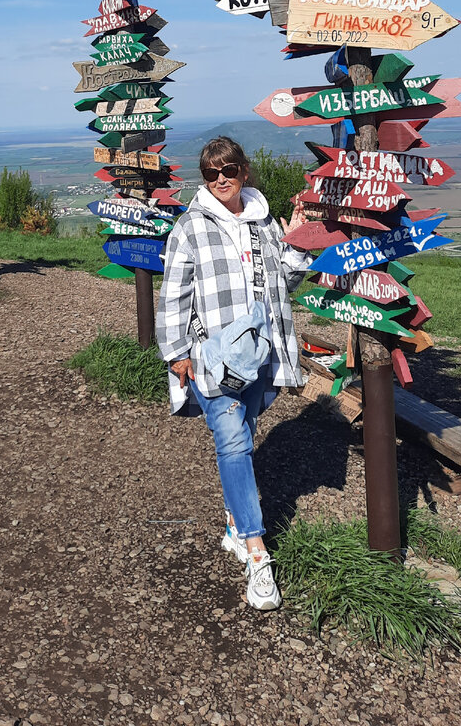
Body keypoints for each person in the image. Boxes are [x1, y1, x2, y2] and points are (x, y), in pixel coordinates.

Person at [156, 136, 309, 611]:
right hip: (212, 355)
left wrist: (297, 247)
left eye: (229, 170)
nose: (220, 179)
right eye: (210, 173)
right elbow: (174, 294)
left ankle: (232, 518)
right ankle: (254, 548)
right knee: (234, 440)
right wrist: (177, 352)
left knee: (250, 423)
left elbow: (284, 285)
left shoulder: (264, 223)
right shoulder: (189, 227)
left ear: (245, 171)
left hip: (262, 350)